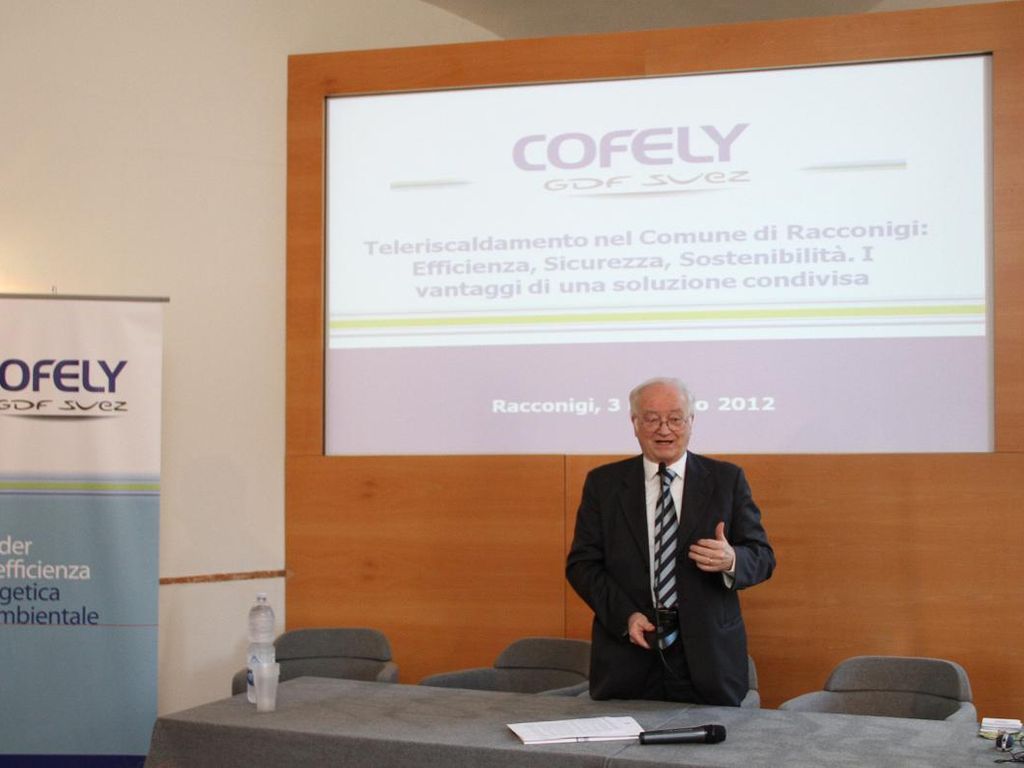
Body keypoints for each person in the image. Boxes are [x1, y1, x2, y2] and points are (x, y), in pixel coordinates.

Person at [566, 377, 775, 705]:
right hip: (629, 652)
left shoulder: (727, 479)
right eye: (651, 419)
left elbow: (762, 556)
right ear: (635, 423)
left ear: (691, 421)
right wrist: (625, 616)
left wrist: (731, 559)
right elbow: (582, 565)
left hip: (709, 658)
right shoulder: (603, 484)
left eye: (675, 419)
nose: (664, 429)